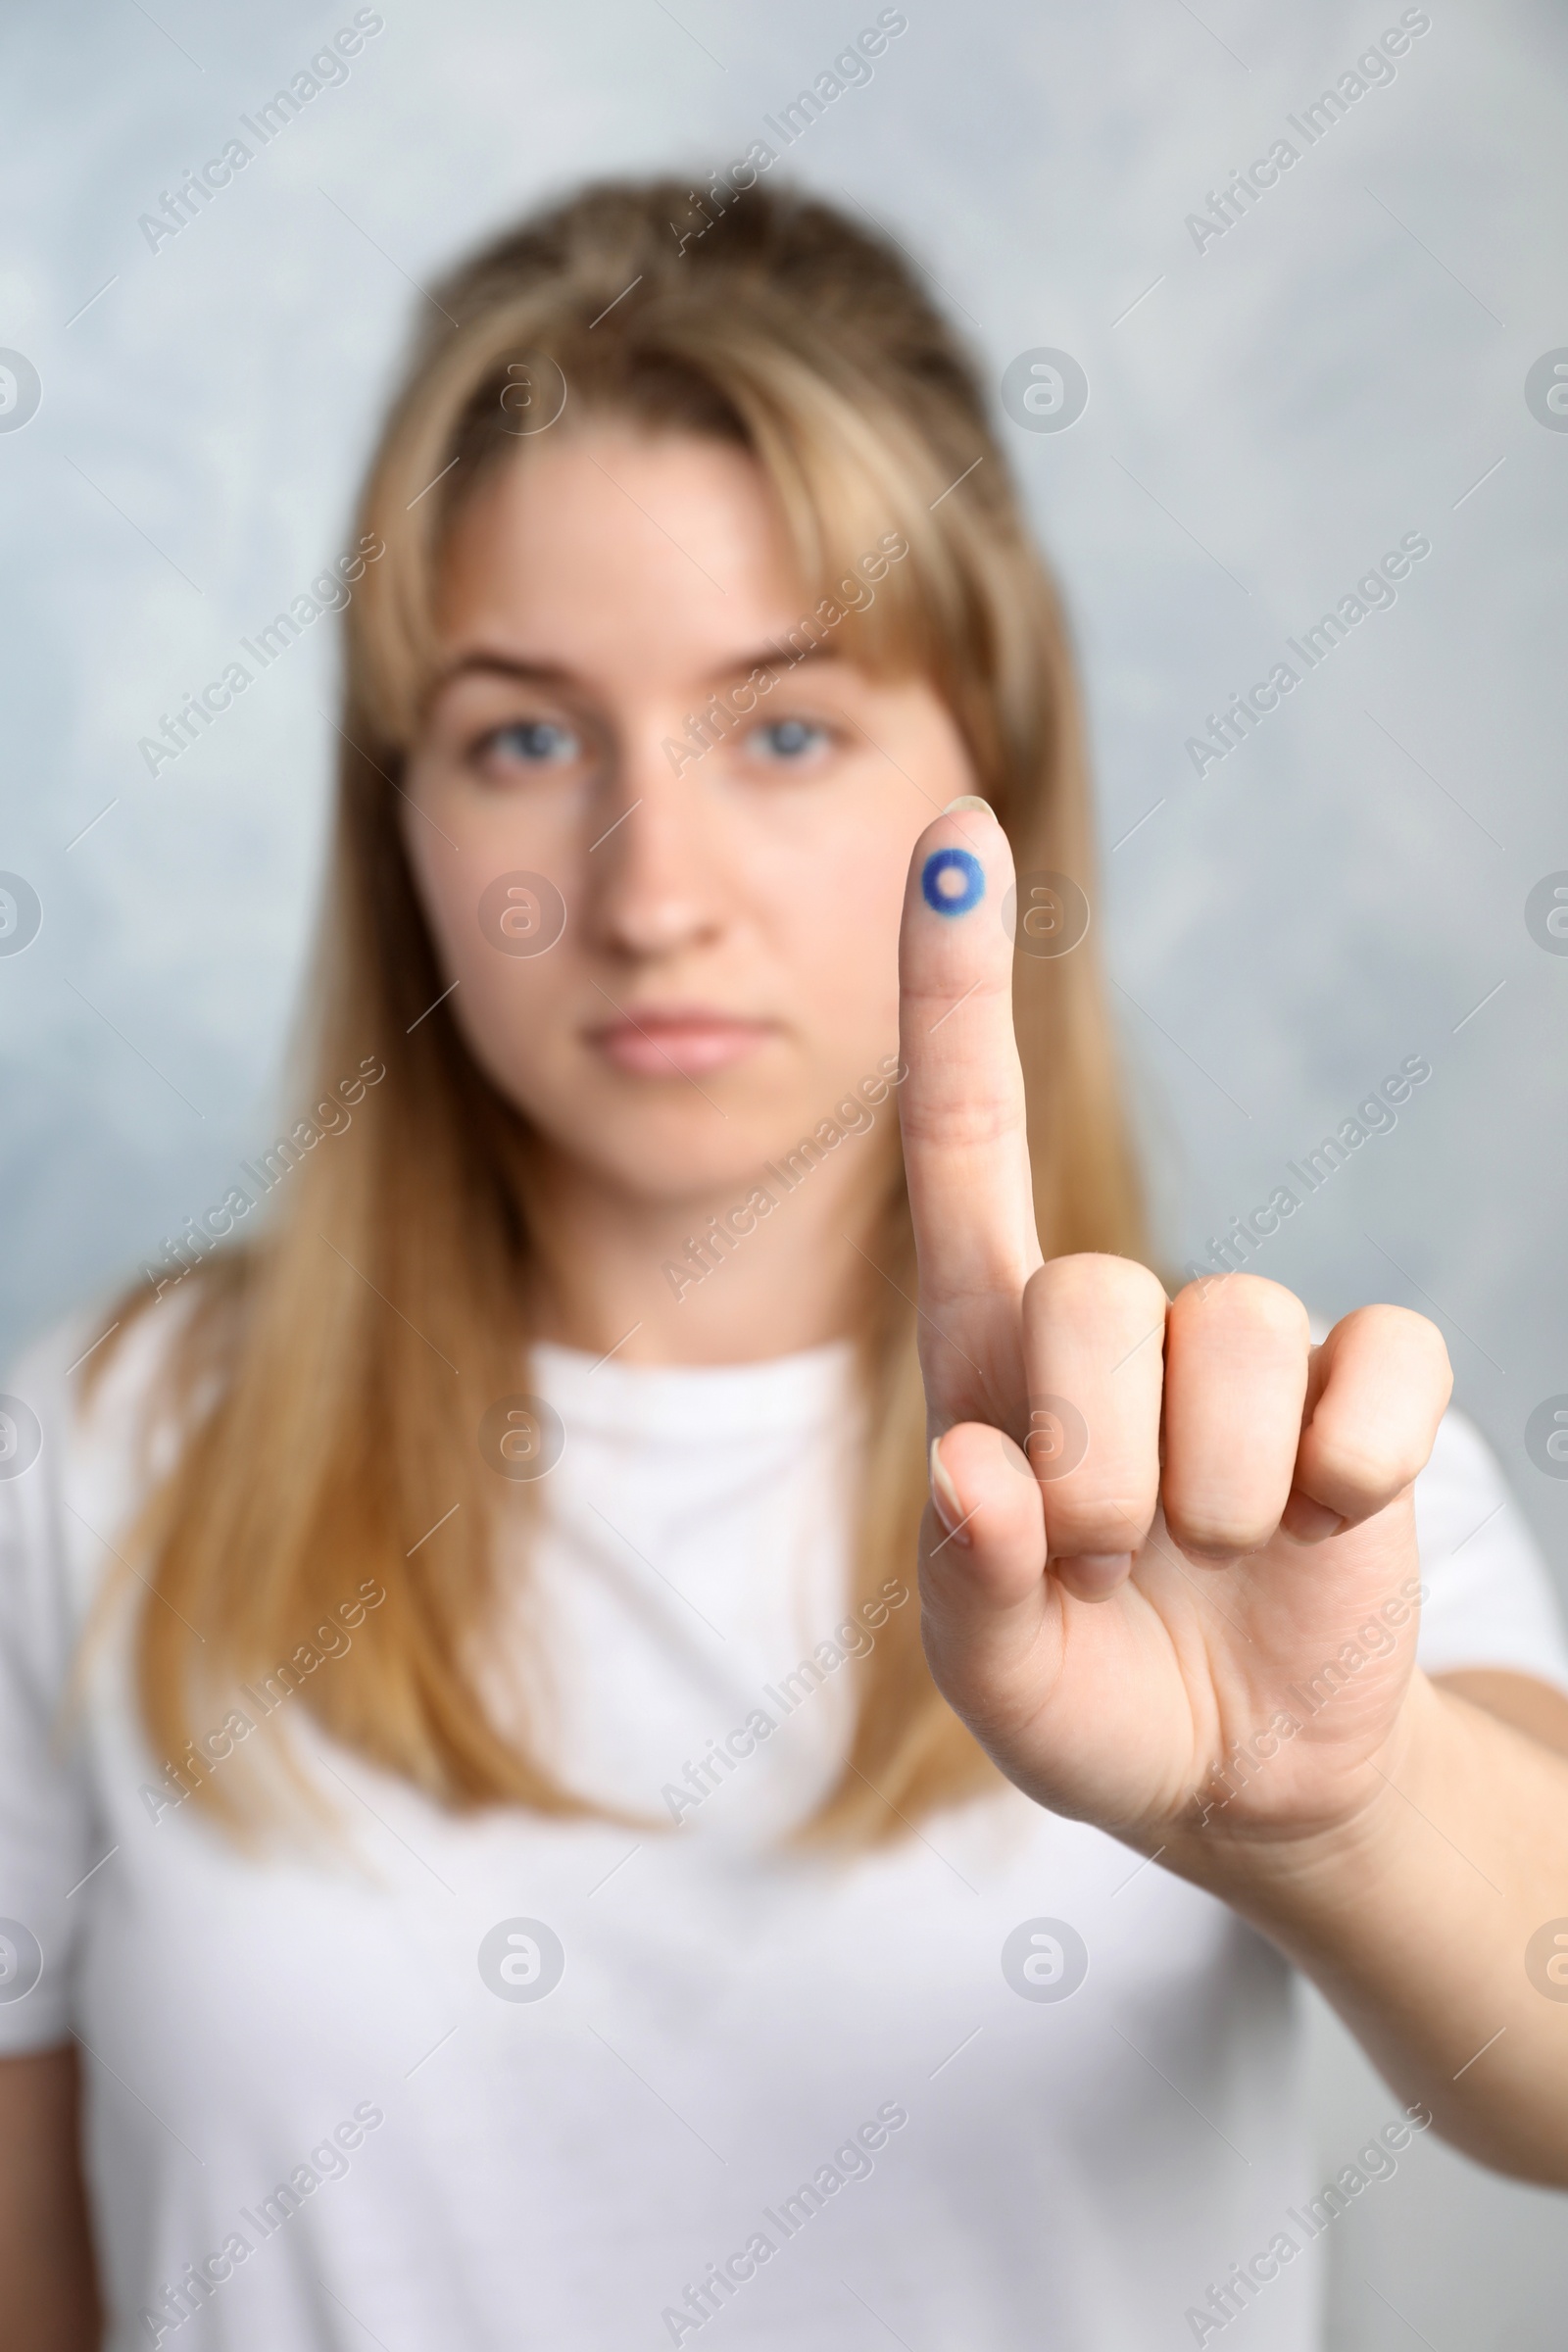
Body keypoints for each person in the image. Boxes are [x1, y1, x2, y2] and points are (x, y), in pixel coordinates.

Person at [2, 175, 1566, 2352]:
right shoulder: (90, 1460)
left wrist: (1329, 1796)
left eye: (785, 727)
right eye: (523, 737)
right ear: (403, 825)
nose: (650, 893)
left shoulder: (1258, 1483)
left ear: (988, 781)